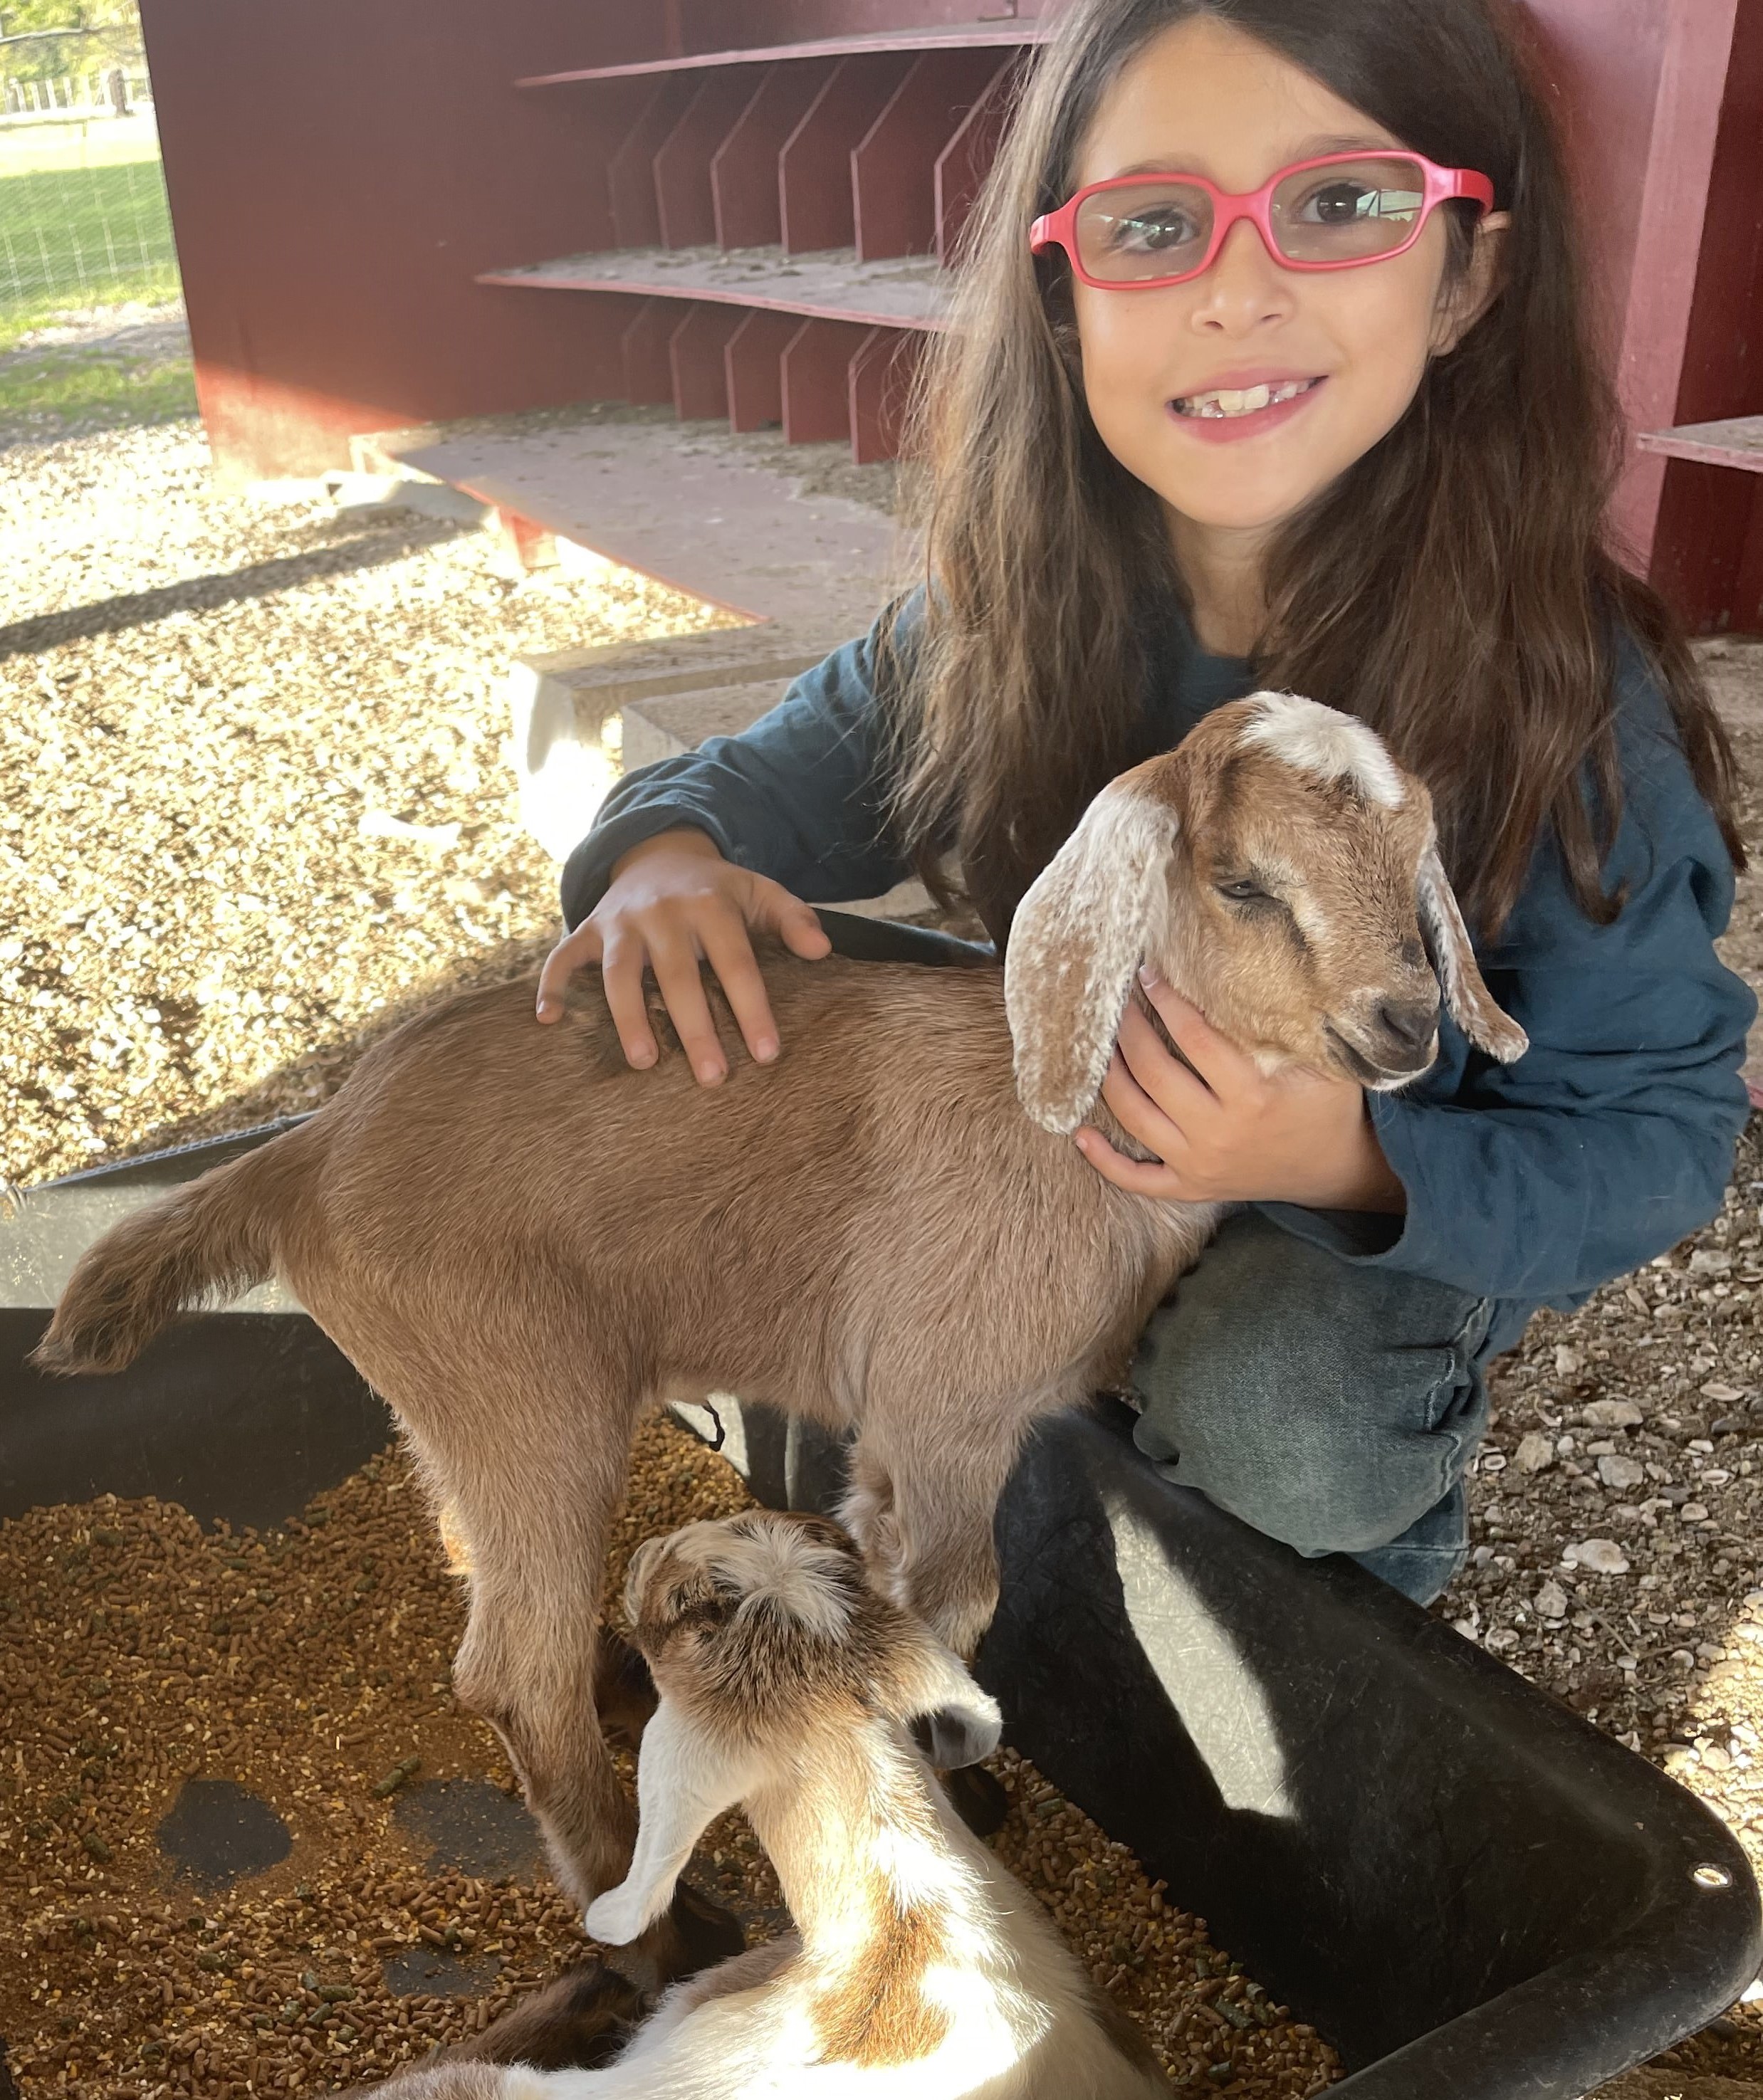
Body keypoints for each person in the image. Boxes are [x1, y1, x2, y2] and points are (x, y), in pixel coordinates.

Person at [534, 0, 1753, 1607]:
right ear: (1060, 300)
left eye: (1337, 204)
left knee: (1277, 1403)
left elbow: (1655, 1132)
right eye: (1152, 226)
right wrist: (658, 860)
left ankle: (1336, 1635)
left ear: (1465, 275)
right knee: (716, 1003)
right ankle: (987, 1418)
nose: (1236, 289)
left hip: (1350, 1198)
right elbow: (750, 791)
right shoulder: (1013, 611)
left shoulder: (1555, 700)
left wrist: (1350, 1159)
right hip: (1075, 1137)